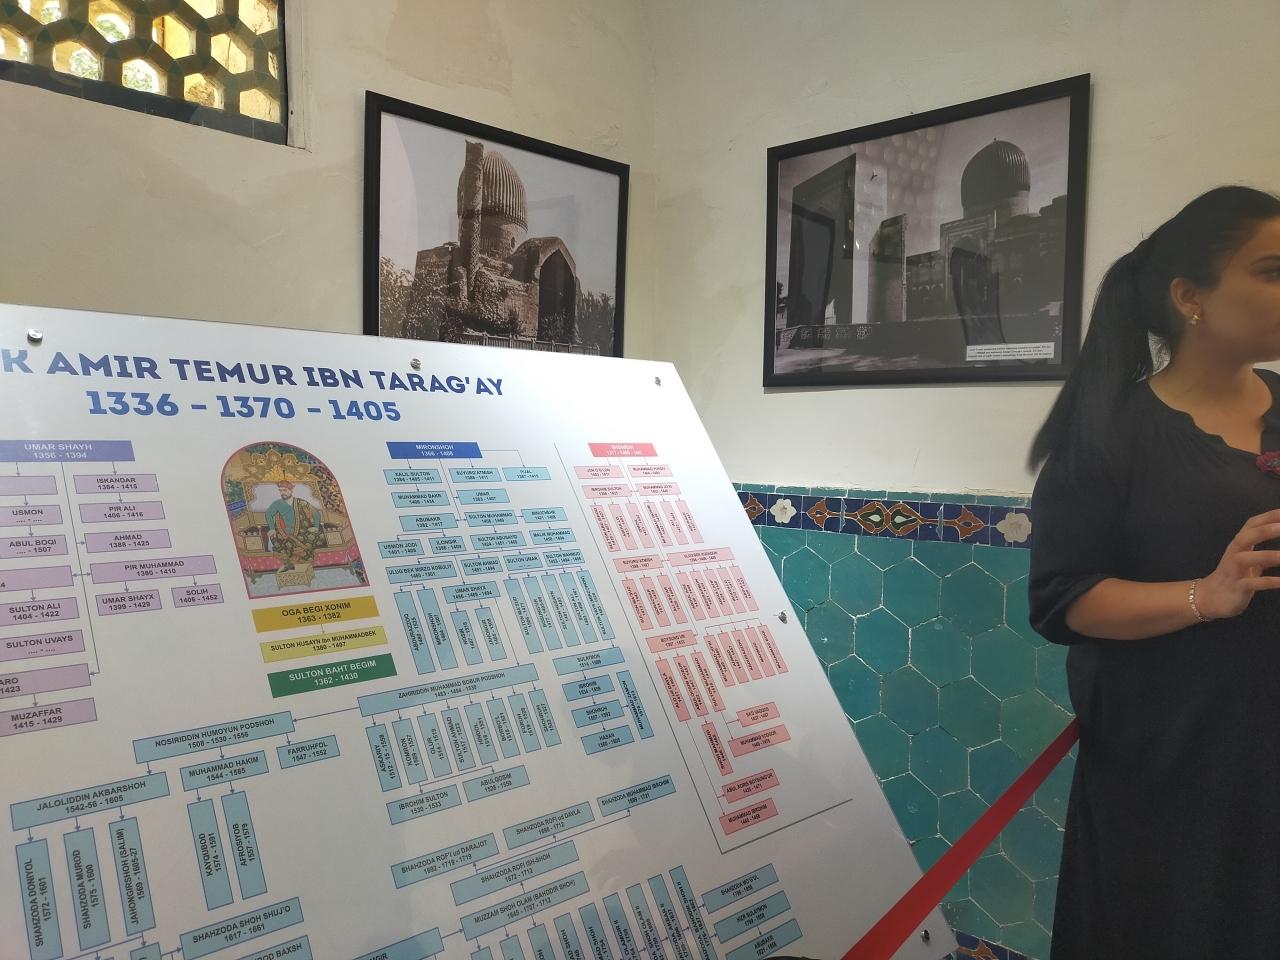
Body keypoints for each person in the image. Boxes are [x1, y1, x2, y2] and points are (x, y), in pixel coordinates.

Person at [1028, 185, 1280, 957]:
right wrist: (1208, 594)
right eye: (1271, 270)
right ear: (1189, 297)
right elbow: (1063, 600)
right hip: (1173, 762)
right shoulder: (1109, 433)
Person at [264, 480, 324, 572]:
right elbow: (268, 514)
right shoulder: (277, 503)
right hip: (284, 532)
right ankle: (289, 564)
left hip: (302, 531)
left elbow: (316, 513)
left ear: (291, 490)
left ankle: (303, 566)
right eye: (280, 491)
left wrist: (316, 527)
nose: (282, 493)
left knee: (316, 536)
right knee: (276, 538)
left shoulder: (301, 503)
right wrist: (272, 528)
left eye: (285, 490)